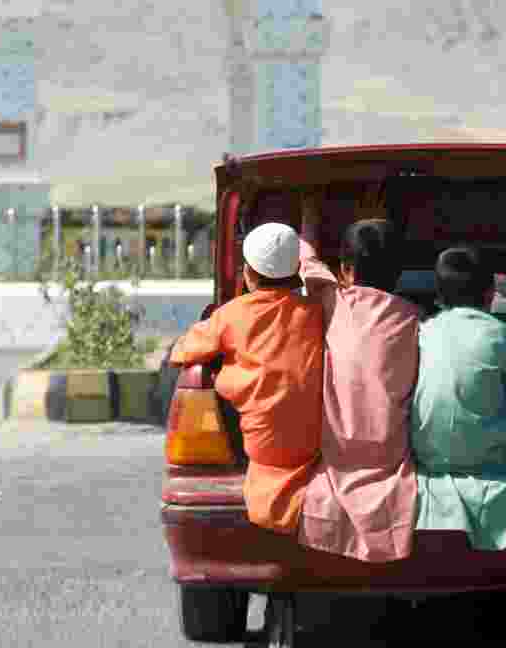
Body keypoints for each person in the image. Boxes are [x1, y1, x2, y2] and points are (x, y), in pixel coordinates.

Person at [169, 223, 324, 534]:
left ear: (248, 275)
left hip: (262, 452)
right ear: (296, 271)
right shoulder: (319, 313)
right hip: (316, 450)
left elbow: (182, 352)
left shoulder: (231, 315)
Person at [295, 191, 422, 563]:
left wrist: (309, 213)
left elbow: (307, 259)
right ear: (400, 272)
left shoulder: (331, 300)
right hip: (389, 454)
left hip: (337, 455)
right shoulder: (414, 320)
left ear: (346, 270)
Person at [410, 247, 506, 551]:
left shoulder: (421, 333)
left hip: (428, 456)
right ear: (490, 295)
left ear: (438, 295)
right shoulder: (505, 336)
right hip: (487, 462)